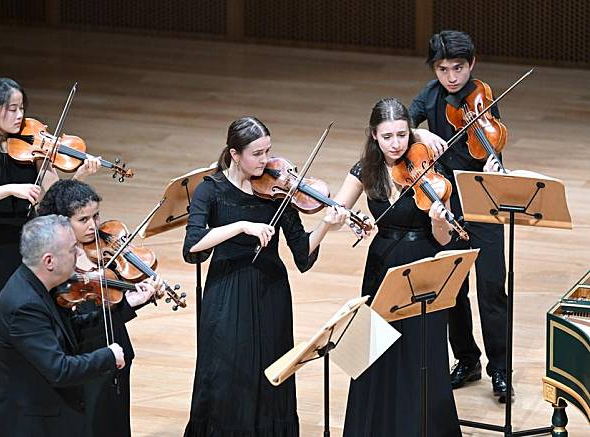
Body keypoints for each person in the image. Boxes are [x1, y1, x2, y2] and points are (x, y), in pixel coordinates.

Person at [182, 116, 347, 436]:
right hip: (227, 292)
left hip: (271, 291)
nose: (266, 161)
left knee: (272, 371)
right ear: (234, 154)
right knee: (228, 371)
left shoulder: (278, 191)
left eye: (268, 151)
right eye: (256, 154)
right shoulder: (211, 190)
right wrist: (241, 227)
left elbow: (302, 254)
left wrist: (326, 224)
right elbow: (192, 247)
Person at [0, 77, 100, 423]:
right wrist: (11, 189)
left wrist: (78, 172)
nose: (20, 116)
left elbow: (52, 196)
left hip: (25, 245)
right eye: (12, 109)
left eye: (22, 108)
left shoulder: (31, 149)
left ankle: (28, 397)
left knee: (31, 317)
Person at [332, 98, 459, 436]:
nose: (396, 144)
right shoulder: (365, 169)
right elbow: (335, 211)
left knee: (422, 352)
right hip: (381, 265)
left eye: (402, 134)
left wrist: (439, 221)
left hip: (423, 265)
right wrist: (341, 217)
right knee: (373, 352)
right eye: (387, 136)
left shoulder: (430, 168)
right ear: (374, 136)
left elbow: (444, 240)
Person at [409, 30, 510, 401]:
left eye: (458, 68)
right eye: (443, 69)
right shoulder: (429, 95)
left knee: (491, 288)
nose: (451, 77)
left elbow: (489, 141)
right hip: (446, 202)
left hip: (484, 202)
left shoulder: (482, 96)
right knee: (452, 290)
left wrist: (496, 165)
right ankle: (467, 360)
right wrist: (420, 136)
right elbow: (402, 125)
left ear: (472, 65)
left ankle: (500, 369)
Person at [37, 178, 163, 437]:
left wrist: (138, 299)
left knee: (115, 421)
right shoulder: (53, 266)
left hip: (116, 350)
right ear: (60, 222)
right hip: (84, 359)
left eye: (96, 216)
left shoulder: (103, 252)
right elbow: (77, 323)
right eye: (83, 220)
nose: (94, 226)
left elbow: (112, 309)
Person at [0, 214, 125, 437]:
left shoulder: (42, 285)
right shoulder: (24, 305)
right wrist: (108, 356)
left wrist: (126, 306)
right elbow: (60, 370)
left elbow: (71, 331)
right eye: (71, 249)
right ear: (49, 261)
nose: (79, 253)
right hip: (28, 425)